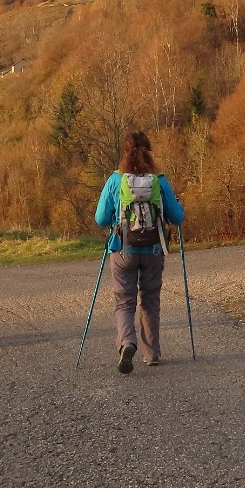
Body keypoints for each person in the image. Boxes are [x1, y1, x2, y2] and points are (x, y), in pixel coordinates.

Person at [94, 131, 185, 373]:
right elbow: (176, 217)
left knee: (124, 301)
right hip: (154, 249)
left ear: (125, 153)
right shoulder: (159, 180)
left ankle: (127, 342)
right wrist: (179, 204)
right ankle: (152, 353)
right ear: (149, 151)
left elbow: (101, 218)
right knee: (150, 299)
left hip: (123, 249)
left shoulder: (115, 180)